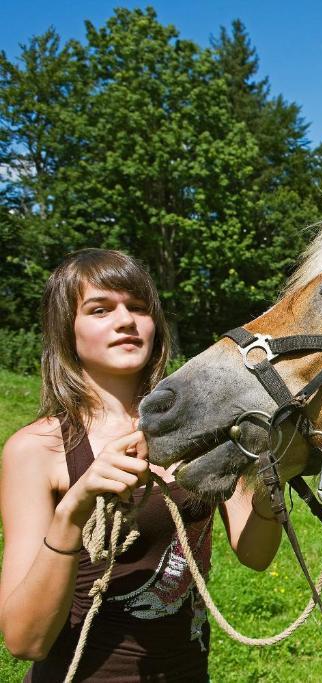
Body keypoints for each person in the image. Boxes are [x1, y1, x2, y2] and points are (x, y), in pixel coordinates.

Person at [0, 249, 283, 681]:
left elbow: (256, 553)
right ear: (66, 329)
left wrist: (272, 472)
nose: (126, 321)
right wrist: (73, 512)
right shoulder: (36, 449)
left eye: (138, 307)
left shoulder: (204, 427)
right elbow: (25, 641)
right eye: (100, 309)